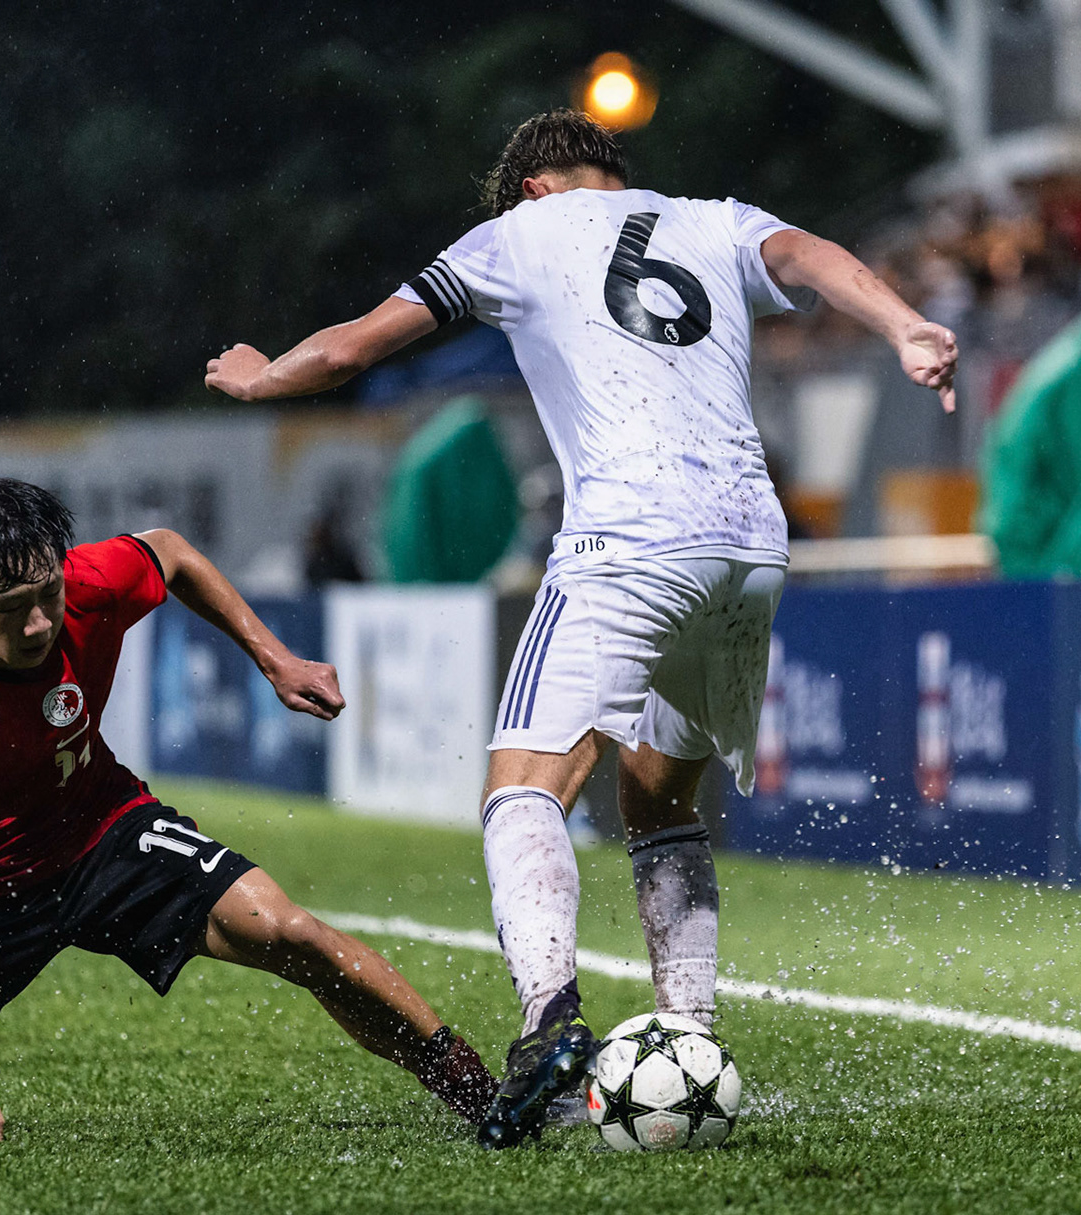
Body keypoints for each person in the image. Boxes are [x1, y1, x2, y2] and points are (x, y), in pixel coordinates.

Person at [204, 109, 957, 1148]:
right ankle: (688, 1039)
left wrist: (265, 373)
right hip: (750, 541)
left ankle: (548, 1018)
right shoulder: (712, 218)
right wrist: (906, 324)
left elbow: (352, 346)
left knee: (522, 788)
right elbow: (812, 254)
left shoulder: (514, 237)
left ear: (533, 187)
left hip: (629, 536)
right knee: (657, 795)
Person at [0, 478, 495, 1145]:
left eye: (48, 594)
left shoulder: (85, 582)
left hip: (99, 830)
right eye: (12, 607)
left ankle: (478, 1088)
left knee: (286, 930)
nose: (41, 622)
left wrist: (274, 657)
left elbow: (174, 552)